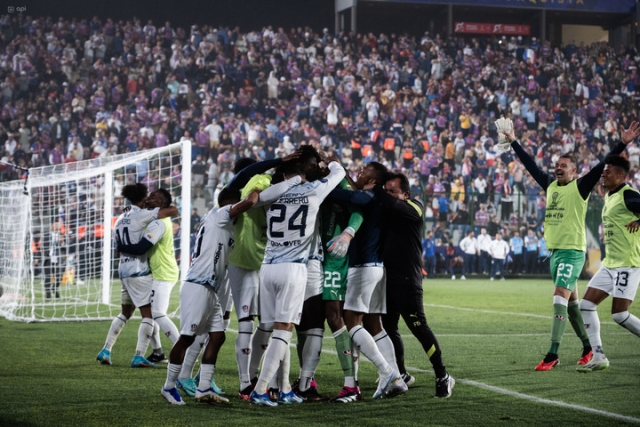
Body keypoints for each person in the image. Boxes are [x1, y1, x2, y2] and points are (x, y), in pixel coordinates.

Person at [503, 122, 640, 371]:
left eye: (563, 166)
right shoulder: (551, 185)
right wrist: (514, 142)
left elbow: (601, 166)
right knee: (578, 305)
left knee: (559, 300)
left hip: (573, 253)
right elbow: (531, 165)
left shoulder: (581, 186)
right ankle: (589, 349)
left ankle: (553, 353)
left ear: (575, 171)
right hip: (555, 253)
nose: (558, 168)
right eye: (557, 164)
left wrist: (623, 142)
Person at [161, 177, 303, 405]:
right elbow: (248, 203)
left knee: (218, 335)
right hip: (198, 284)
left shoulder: (223, 224)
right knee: (187, 337)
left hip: (211, 288)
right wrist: (257, 189)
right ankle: (169, 386)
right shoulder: (221, 213)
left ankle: (204, 387)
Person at [249, 148, 345, 407]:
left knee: (272, 329)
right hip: (294, 267)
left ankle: (280, 388)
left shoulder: (273, 193)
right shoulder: (314, 191)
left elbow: (256, 198)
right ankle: (260, 389)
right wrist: (333, 161)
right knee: (284, 330)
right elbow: (339, 173)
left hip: (267, 267)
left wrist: (291, 179)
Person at [329, 162, 408, 400]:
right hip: (376, 268)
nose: (359, 173)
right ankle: (397, 379)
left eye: (364, 171)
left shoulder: (370, 195)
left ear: (374, 180)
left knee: (351, 321)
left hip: (363, 266)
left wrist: (323, 186)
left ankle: (388, 373)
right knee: (375, 325)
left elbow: (345, 194)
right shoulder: (377, 197)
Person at [377, 172, 454, 398]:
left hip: (408, 280)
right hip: (387, 280)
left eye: (392, 191)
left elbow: (393, 205)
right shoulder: (388, 211)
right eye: (386, 191)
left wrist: (376, 192)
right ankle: (400, 374)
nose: (388, 195)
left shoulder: (415, 207)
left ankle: (443, 375)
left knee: (419, 328)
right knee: (388, 327)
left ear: (406, 193)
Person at [98, 183, 177, 367]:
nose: (149, 199)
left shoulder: (120, 218)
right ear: (143, 199)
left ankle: (106, 350)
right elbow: (173, 210)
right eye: (148, 197)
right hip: (138, 270)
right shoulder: (143, 215)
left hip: (123, 270)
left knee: (126, 312)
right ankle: (139, 355)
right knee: (150, 315)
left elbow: (118, 249)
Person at [578, 155, 640, 372]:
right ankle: (598, 356)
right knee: (585, 305)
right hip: (610, 263)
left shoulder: (629, 195)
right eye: (603, 171)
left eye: (608, 171)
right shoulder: (610, 196)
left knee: (620, 315)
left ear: (622, 175)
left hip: (627, 264)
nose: (603, 174)